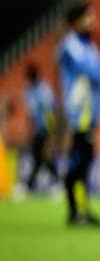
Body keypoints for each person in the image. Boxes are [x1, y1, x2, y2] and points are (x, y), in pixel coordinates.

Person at [57, 2, 100, 226]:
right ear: (76, 21)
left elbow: (99, 72)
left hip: (90, 113)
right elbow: (91, 70)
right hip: (78, 113)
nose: (93, 21)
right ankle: (75, 210)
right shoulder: (71, 45)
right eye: (88, 17)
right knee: (78, 161)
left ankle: (82, 209)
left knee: (86, 161)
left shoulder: (88, 45)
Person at [22, 64, 58, 194]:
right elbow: (30, 113)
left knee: (43, 156)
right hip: (37, 130)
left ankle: (29, 185)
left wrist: (52, 133)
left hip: (46, 129)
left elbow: (50, 112)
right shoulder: (28, 90)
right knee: (39, 157)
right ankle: (54, 184)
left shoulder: (44, 90)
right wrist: (30, 130)